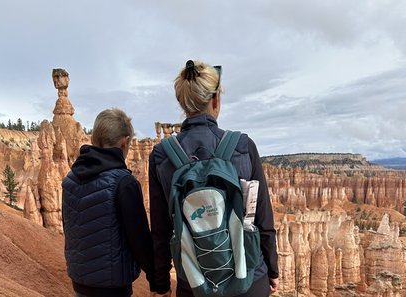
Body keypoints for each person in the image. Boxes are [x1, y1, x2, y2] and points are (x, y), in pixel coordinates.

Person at [149, 60, 279, 297]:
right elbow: (262, 217)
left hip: (195, 285)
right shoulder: (243, 145)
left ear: (182, 103)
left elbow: (160, 230)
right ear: (216, 100)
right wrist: (272, 269)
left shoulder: (161, 155)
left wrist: (161, 283)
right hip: (249, 279)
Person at [62, 108, 157, 297]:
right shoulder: (124, 183)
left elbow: (70, 229)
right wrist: (156, 279)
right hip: (114, 288)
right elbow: (139, 240)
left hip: (80, 283)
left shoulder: (70, 180)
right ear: (125, 142)